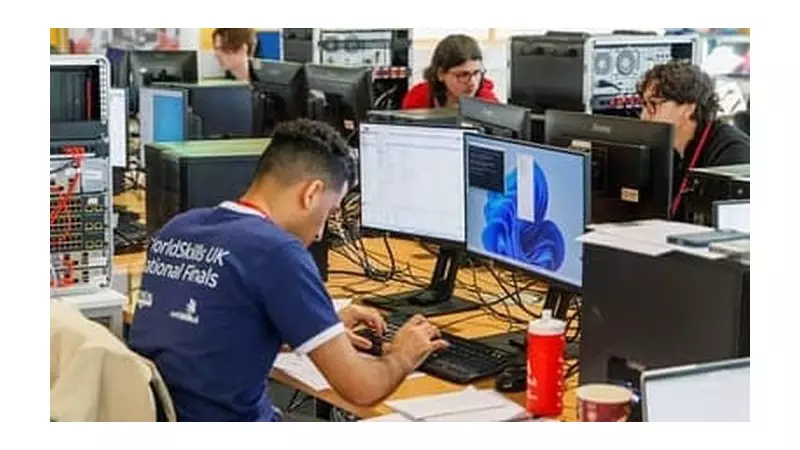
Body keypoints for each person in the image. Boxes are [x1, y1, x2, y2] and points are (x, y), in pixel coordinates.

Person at [127, 118, 448, 422]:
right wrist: (403, 354)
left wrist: (316, 328)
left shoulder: (178, 227)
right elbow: (363, 388)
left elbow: (209, 335)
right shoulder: (277, 251)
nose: (321, 233)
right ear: (311, 194)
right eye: (329, 211)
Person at [637, 61, 749, 220]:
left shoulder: (732, 153)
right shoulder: (669, 149)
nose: (644, 115)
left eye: (654, 104)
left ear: (689, 107)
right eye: (644, 104)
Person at [402, 34, 499, 109]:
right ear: (440, 74)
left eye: (476, 73)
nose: (472, 82)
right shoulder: (419, 97)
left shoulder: (487, 101)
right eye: (463, 75)